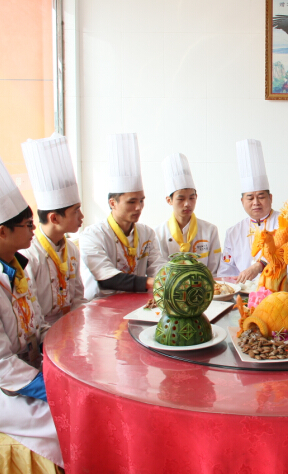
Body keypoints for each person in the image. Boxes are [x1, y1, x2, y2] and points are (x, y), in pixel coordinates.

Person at [0, 157, 63, 468]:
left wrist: (66, 350)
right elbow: (2, 365)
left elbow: (37, 325)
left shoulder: (18, 269)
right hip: (6, 386)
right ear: (2, 232)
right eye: (27, 225)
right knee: (60, 420)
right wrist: (49, 387)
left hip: (28, 370)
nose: (33, 231)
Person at [80, 133, 165, 300]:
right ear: (113, 203)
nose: (138, 207)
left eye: (141, 201)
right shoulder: (93, 235)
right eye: (131, 202)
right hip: (102, 306)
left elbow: (157, 267)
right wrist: (153, 282)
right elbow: (107, 277)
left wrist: (169, 277)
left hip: (138, 303)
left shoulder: (146, 233)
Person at [21, 134, 87, 325]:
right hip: (44, 333)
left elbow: (78, 298)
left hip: (71, 327)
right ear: (54, 218)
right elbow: (33, 314)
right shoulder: (29, 255)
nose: (82, 216)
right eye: (76, 211)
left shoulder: (71, 249)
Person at [218, 139, 288, 282]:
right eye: (250, 198)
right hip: (245, 290)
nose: (256, 202)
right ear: (242, 201)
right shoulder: (233, 232)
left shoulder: (286, 221)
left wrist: (259, 265)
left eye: (261, 197)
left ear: (270, 198)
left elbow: (282, 248)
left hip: (285, 286)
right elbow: (226, 271)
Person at [155, 153, 221, 276]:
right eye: (181, 199)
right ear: (169, 200)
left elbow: (214, 271)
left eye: (191, 198)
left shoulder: (210, 230)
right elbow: (159, 271)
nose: (187, 204)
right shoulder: (158, 233)